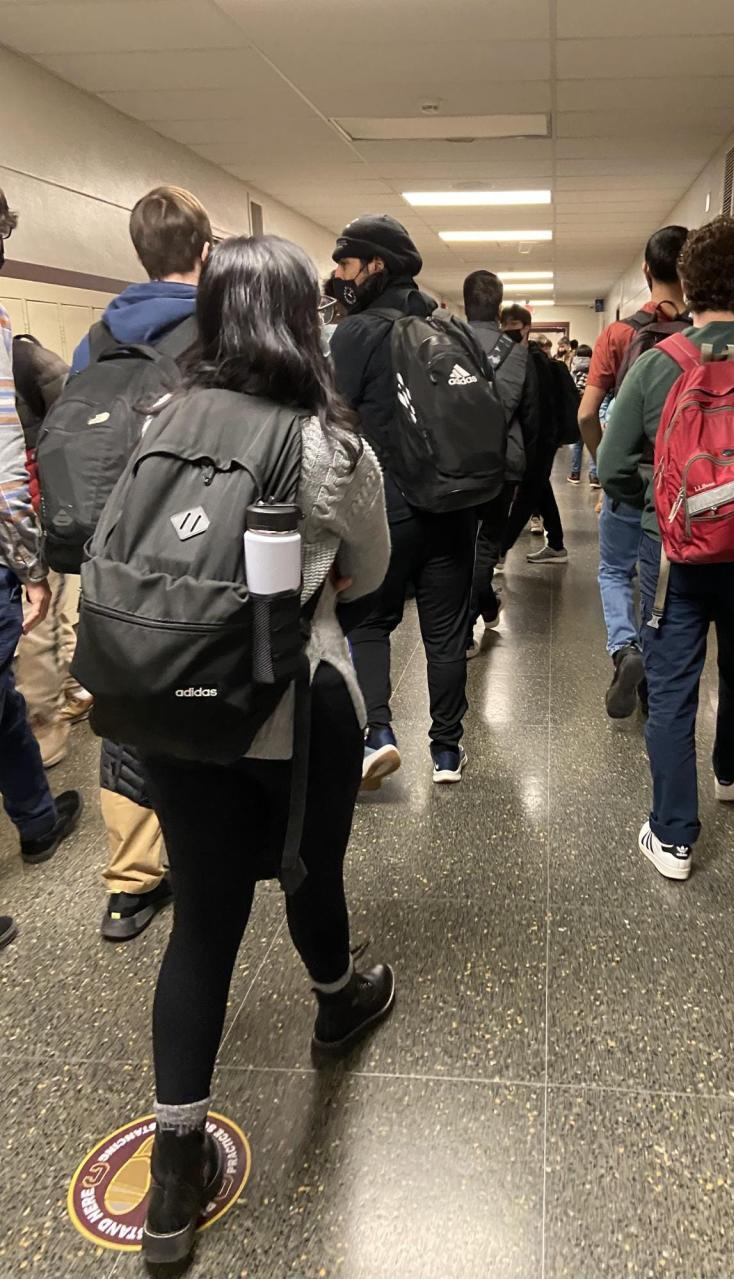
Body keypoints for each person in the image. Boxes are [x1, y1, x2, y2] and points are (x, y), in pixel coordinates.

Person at [139, 235, 394, 1265]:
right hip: (295, 703)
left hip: (173, 704)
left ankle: (171, 1175)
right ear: (304, 319)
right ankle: (337, 1004)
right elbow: (370, 571)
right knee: (306, 869)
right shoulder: (333, 445)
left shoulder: (161, 418)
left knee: (202, 914)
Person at [598, 216, 734, 879]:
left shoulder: (660, 365)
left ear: (684, 283)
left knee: (673, 683)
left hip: (675, 559)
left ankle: (675, 836)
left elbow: (614, 461)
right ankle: (732, 773)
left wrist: (659, 507)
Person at [68, 186, 212, 941]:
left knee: (120, 703)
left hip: (109, 546)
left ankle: (130, 883)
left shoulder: (99, 335)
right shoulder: (216, 330)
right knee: (201, 685)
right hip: (190, 541)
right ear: (206, 249)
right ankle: (205, 855)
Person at [329, 215, 474, 785]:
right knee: (446, 632)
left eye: (345, 263)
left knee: (370, 621)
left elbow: (333, 426)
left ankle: (379, 733)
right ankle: (446, 752)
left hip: (385, 507)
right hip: (453, 505)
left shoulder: (357, 332)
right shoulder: (449, 328)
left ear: (374, 266)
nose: (339, 275)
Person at [0, 187, 83, 951]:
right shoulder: (11, 348)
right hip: (10, 538)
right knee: (19, 665)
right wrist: (31, 562)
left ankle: (35, 815)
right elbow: (8, 465)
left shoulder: (20, 348)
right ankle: (37, 804)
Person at [583, 226, 689, 720]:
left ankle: (625, 649)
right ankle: (658, 673)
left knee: (613, 570)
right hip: (690, 488)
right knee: (661, 582)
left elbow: (586, 415)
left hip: (632, 479)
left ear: (646, 270)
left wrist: (607, 473)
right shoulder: (703, 337)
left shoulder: (619, 334)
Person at [12, 333, 83, 768]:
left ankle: (45, 729)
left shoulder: (26, 359)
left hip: (30, 512)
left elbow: (70, 435)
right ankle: (70, 690)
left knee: (40, 618)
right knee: (49, 611)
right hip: (26, 510)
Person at [461, 271, 539, 657]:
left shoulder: (443, 344)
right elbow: (530, 416)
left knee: (457, 545)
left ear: (464, 304)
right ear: (498, 306)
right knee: (485, 545)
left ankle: (471, 621)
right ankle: (475, 618)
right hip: (502, 463)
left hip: (452, 462)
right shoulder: (517, 354)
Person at [499, 306, 570, 566]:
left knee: (528, 495)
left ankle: (499, 551)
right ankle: (557, 545)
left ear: (527, 327)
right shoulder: (512, 358)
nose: (509, 330)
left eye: (514, 324)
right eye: (504, 325)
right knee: (541, 489)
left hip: (539, 440)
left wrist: (533, 447)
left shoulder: (535, 360)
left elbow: (536, 409)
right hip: (531, 439)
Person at [567, 344, 597, 486]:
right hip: (592, 411)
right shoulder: (594, 371)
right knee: (593, 444)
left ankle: (575, 474)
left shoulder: (573, 372)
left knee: (577, 445)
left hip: (577, 411)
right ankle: (594, 476)